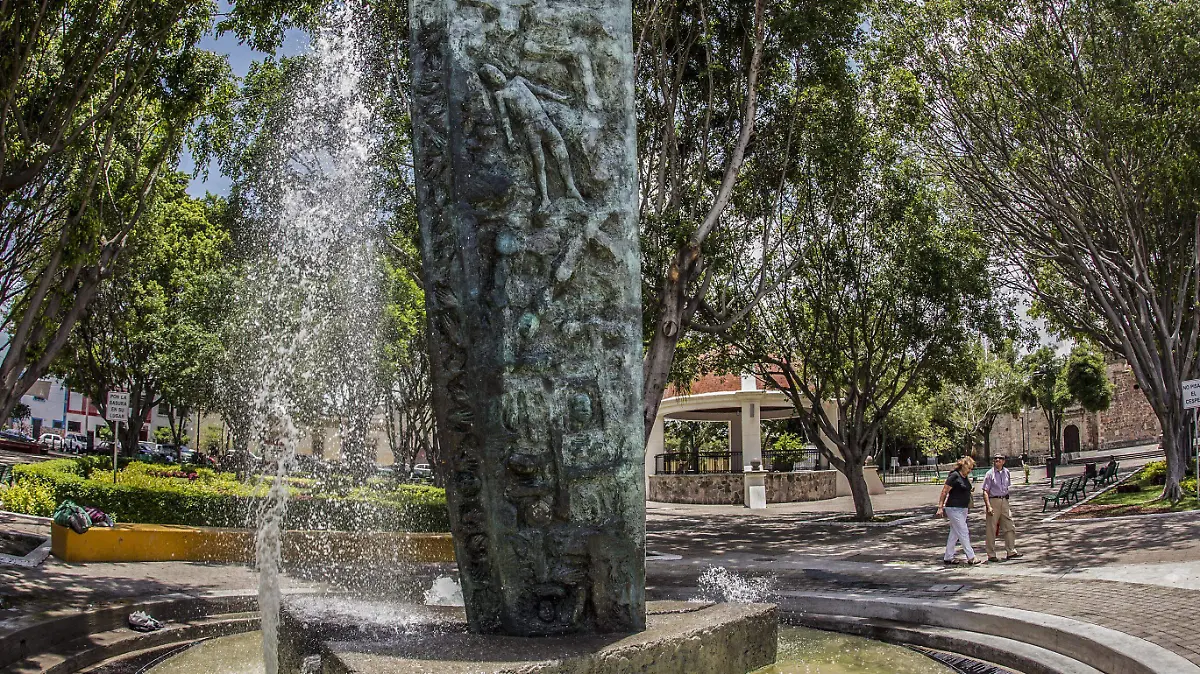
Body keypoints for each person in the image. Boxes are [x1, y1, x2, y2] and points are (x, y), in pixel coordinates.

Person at [938, 456, 984, 566]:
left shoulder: (964, 477)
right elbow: (944, 491)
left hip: (963, 508)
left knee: (955, 533)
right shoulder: (954, 476)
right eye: (969, 468)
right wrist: (940, 507)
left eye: (971, 469)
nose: (970, 471)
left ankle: (948, 557)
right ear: (963, 466)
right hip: (953, 508)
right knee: (963, 531)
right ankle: (971, 557)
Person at [982, 455, 1023, 562]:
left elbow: (1006, 487)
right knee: (991, 528)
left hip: (1004, 501)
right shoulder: (989, 474)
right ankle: (991, 554)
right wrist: (988, 506)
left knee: (1010, 526)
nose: (997, 460)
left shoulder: (1007, 472)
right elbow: (985, 491)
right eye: (995, 459)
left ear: (1003, 461)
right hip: (993, 501)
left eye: (1000, 459)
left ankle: (1011, 551)